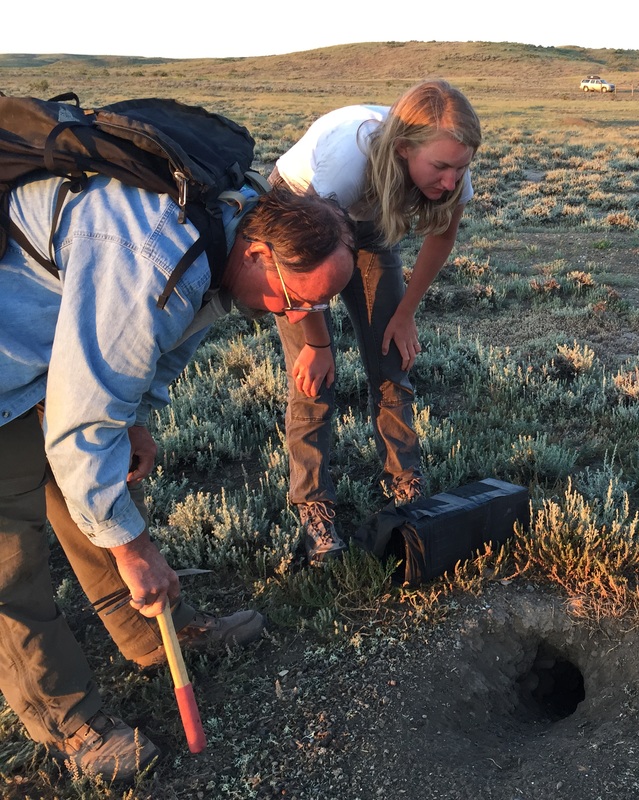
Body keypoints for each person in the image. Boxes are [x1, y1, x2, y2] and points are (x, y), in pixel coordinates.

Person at [0, 176, 355, 781]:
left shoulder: (230, 218)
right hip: (9, 354)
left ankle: (154, 635)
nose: (293, 318)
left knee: (99, 485)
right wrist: (134, 549)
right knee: (10, 553)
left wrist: (134, 418)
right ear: (258, 254)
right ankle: (69, 721)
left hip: (57, 340)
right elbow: (80, 425)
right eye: (293, 299)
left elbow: (170, 334)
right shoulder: (153, 258)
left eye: (312, 308)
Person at [269, 79, 481, 565]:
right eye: (441, 167)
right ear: (405, 148)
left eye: (461, 167)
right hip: (302, 216)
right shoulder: (349, 159)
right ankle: (313, 504)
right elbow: (305, 261)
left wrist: (404, 313)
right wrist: (318, 344)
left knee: (390, 358)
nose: (450, 181)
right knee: (313, 378)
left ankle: (405, 479)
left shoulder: (450, 161)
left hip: (371, 221)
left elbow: (441, 238)